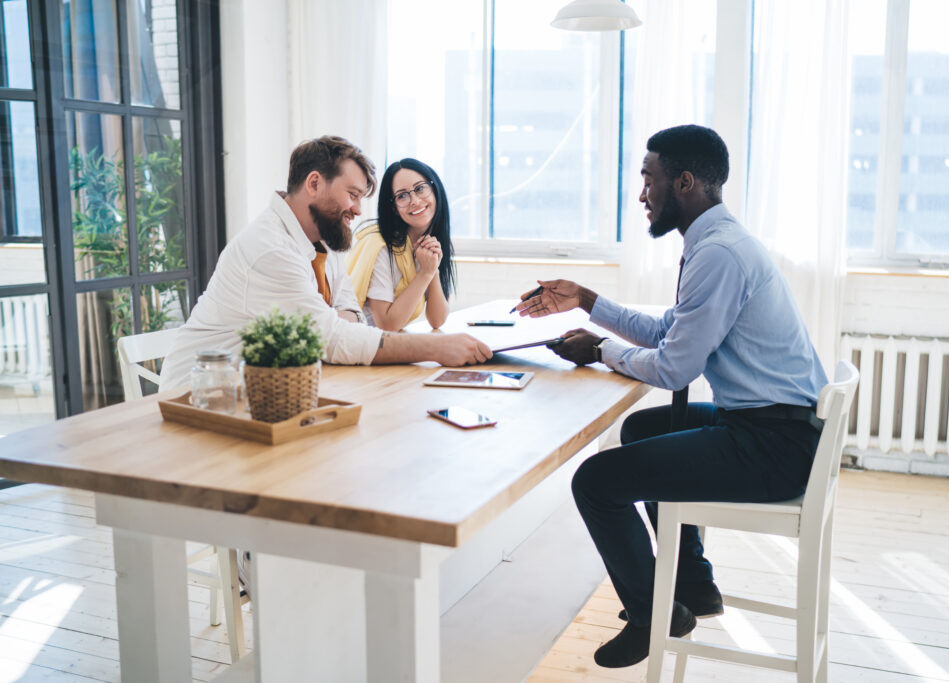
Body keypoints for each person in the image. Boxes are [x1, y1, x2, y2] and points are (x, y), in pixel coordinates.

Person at [514, 124, 828, 668]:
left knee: (595, 482)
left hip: (775, 445)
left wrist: (600, 351)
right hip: (776, 427)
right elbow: (673, 330)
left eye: (648, 179)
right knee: (640, 429)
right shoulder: (719, 242)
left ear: (684, 182)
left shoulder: (719, 255)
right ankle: (694, 584)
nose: (641, 195)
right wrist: (588, 301)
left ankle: (653, 614)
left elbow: (676, 365)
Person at [160, 136, 491, 391]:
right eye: (352, 194)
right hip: (200, 396)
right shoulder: (271, 250)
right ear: (314, 184)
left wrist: (334, 325)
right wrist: (435, 347)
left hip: (265, 391)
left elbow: (349, 318)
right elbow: (334, 338)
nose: (359, 209)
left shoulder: (326, 242)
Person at [346, 158, 455, 331]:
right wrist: (425, 273)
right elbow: (387, 325)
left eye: (420, 189)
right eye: (402, 195)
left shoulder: (430, 244)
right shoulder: (380, 247)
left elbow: (437, 319)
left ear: (435, 190)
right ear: (394, 207)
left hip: (387, 345)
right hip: (360, 345)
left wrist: (432, 267)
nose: (415, 201)